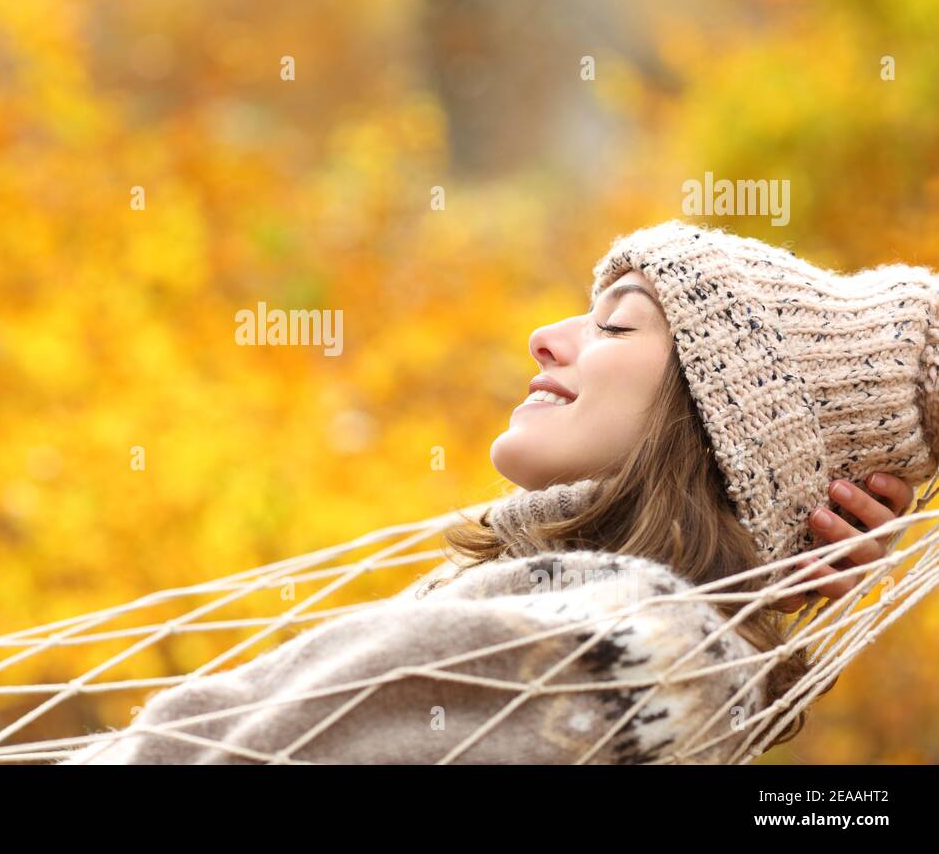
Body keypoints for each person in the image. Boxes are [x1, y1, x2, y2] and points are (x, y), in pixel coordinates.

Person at [60, 219, 939, 764]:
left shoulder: (644, 643)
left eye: (618, 321)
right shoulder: (568, 603)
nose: (544, 338)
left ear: (722, 422)